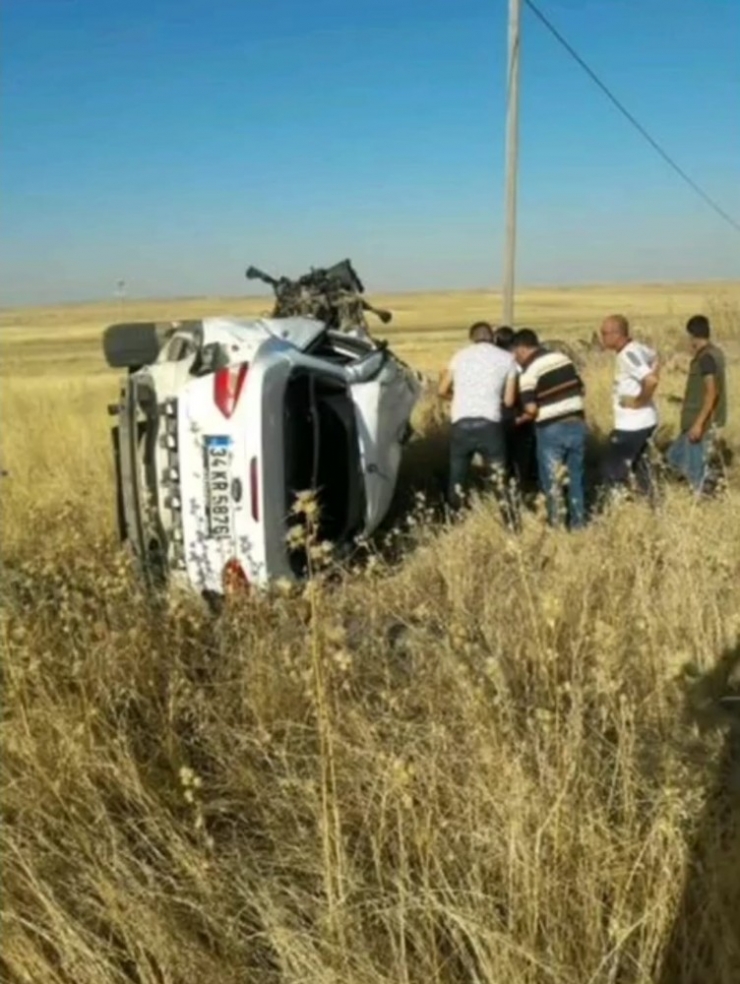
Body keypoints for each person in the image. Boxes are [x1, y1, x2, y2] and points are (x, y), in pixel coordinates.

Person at [509, 328, 587, 529]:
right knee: (576, 477)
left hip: (551, 429)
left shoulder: (529, 372)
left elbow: (531, 409)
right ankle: (579, 524)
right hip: (577, 424)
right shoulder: (563, 359)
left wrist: (516, 421)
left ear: (520, 349)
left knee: (552, 482)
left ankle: (557, 525)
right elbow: (581, 388)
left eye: (515, 354)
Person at [438, 321, 518, 512]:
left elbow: (441, 390)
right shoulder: (507, 358)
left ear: (471, 338)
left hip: (461, 422)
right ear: (493, 337)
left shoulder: (459, 356)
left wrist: (457, 397)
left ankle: (454, 519)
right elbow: (508, 401)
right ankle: (511, 523)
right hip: (490, 422)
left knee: (457, 477)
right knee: (499, 477)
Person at [599, 314, 660, 499]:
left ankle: (614, 508)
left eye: (605, 333)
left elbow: (651, 380)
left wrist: (638, 401)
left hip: (633, 424)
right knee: (641, 464)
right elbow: (656, 357)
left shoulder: (628, 354)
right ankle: (652, 502)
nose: (602, 337)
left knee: (613, 467)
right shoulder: (638, 348)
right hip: (645, 420)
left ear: (618, 334)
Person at [666, 314, 727, 495]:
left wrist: (699, 424)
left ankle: (702, 499)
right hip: (695, 420)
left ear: (692, 336)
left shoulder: (706, 359)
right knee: (672, 458)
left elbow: (711, 392)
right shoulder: (716, 353)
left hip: (699, 421)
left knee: (694, 471)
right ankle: (710, 479)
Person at [494, 325, 538, 496]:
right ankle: (524, 486)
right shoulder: (522, 363)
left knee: (505, 459)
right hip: (525, 416)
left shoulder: (500, 363)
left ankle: (509, 489)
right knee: (523, 457)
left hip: (506, 417)